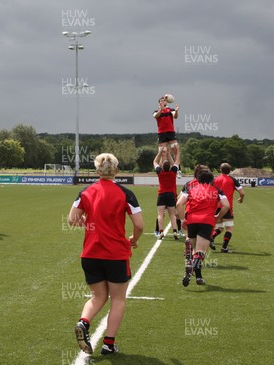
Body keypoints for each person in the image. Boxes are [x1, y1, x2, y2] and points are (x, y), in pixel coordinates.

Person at [68, 153, 143, 356]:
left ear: (97, 170)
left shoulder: (86, 191)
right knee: (118, 299)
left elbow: (71, 219)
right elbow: (139, 225)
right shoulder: (126, 193)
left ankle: (83, 322)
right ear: (116, 170)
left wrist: (86, 223)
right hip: (116, 254)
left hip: (91, 254)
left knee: (97, 296)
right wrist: (133, 240)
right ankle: (109, 344)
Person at [176, 169, 229, 286]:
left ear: (198, 179)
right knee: (200, 252)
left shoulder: (191, 188)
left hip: (192, 220)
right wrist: (217, 216)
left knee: (194, 250)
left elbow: (179, 204)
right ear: (211, 180)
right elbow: (226, 205)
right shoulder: (216, 190)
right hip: (207, 221)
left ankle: (196, 275)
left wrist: (182, 219)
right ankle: (192, 269)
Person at [211, 163, 245, 253]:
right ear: (230, 170)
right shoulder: (232, 180)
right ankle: (224, 248)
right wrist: (241, 199)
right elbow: (242, 193)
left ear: (220, 169)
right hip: (226, 207)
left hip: (216, 207)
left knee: (220, 228)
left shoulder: (215, 180)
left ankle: (212, 237)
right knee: (229, 228)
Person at [153, 146, 180, 240]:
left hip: (162, 194)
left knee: (160, 214)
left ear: (162, 167)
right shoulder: (173, 172)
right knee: (172, 215)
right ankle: (175, 231)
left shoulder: (160, 172)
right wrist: (172, 153)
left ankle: (161, 232)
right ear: (170, 167)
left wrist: (160, 153)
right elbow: (177, 161)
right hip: (171, 195)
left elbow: (155, 162)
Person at [153, 94, 181, 177]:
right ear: (159, 103)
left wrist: (176, 111)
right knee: (163, 152)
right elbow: (156, 116)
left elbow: (175, 116)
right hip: (162, 134)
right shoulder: (156, 112)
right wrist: (160, 109)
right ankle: (164, 172)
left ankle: (178, 170)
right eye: (161, 100)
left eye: (164, 100)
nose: (163, 101)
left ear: (166, 102)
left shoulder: (170, 110)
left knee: (175, 149)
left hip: (170, 132)